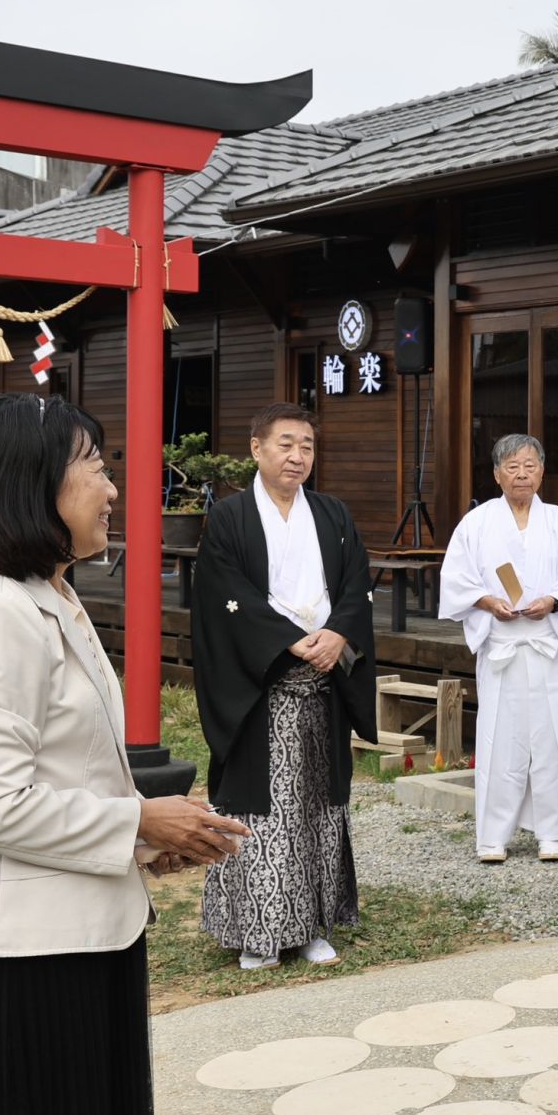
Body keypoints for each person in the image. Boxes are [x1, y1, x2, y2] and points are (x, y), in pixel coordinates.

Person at [0, 394, 250, 1115]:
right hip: (29, 957)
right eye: (96, 470)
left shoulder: (49, 595)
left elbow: (64, 776)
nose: (111, 492)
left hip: (79, 933)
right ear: (31, 483)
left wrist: (146, 837)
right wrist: (141, 817)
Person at [192, 402, 377, 970]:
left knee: (317, 806)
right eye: (286, 444)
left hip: (320, 681)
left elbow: (355, 586)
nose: (298, 457)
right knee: (264, 809)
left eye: (307, 447)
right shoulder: (229, 518)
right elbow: (224, 594)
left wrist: (336, 634)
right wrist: (288, 639)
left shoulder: (333, 514)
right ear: (256, 448)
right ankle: (259, 930)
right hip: (262, 686)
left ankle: (312, 925)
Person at [438, 434, 558, 863]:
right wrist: (487, 602)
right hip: (501, 645)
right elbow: (456, 579)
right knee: (498, 739)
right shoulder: (476, 523)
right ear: (496, 474)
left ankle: (551, 832)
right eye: (512, 467)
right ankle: (493, 835)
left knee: (551, 738)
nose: (522, 474)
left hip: (546, 643)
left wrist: (554, 600)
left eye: (529, 465)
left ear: (542, 472)